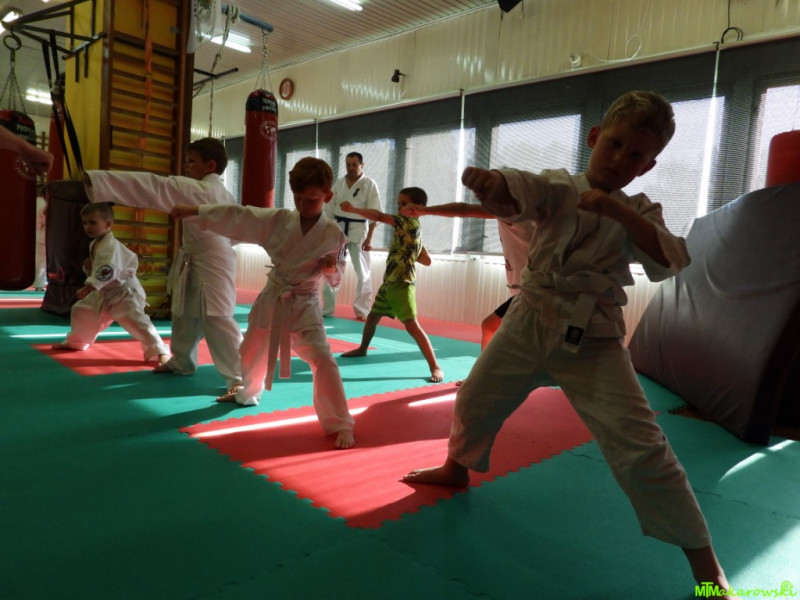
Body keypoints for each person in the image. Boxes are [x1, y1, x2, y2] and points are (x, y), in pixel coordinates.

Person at [403, 91, 734, 593]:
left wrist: (620, 214)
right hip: (528, 321)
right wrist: (496, 185)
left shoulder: (641, 209)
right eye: (615, 144)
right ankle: (455, 469)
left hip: (594, 338)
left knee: (642, 448)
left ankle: (708, 568)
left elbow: (671, 259)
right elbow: (524, 191)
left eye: (636, 155)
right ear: (595, 138)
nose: (621, 159)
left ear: (648, 166)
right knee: (474, 399)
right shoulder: (560, 187)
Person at [170, 157, 356, 450]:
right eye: (297, 197)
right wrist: (197, 211)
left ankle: (340, 422)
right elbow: (241, 216)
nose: (303, 205)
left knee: (323, 359)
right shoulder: (279, 220)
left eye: (311, 199)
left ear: (327, 196)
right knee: (251, 350)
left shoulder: (335, 235)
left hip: (305, 303)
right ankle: (247, 393)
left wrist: (331, 268)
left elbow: (336, 279)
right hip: (274, 296)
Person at [82, 138, 242, 395]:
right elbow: (236, 232)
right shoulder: (225, 194)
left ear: (210, 165)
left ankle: (239, 378)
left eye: (191, 161)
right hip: (203, 256)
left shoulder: (196, 189)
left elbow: (154, 186)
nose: (186, 166)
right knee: (184, 311)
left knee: (217, 317)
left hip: (212, 261)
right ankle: (182, 361)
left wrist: (99, 181)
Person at [340, 187, 444, 383]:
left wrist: (353, 209)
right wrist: (413, 248)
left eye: (404, 204)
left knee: (411, 325)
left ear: (418, 208)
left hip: (402, 284)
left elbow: (378, 216)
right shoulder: (411, 228)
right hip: (389, 282)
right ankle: (363, 349)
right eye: (398, 204)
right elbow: (427, 260)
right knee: (372, 318)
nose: (399, 208)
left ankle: (435, 366)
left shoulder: (408, 222)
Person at [399, 201, 534, 350]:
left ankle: (485, 366)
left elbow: (463, 209)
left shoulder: (513, 212)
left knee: (490, 326)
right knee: (499, 330)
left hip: (533, 291)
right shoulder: (526, 215)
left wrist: (424, 210)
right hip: (528, 291)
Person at [52, 202, 170, 364]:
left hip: (124, 293)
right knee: (82, 311)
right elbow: (102, 268)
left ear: (108, 224)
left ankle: (160, 351)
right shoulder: (95, 243)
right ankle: (76, 342)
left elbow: (108, 269)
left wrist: (88, 286)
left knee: (137, 322)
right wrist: (90, 268)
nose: (88, 227)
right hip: (105, 291)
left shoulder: (110, 245)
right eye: (85, 223)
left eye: (93, 222)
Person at [321, 152, 382, 320]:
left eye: (355, 164)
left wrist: (370, 238)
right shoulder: (339, 183)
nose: (351, 168)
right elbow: (328, 209)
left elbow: (375, 213)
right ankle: (327, 308)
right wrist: (327, 232)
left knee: (363, 272)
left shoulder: (369, 184)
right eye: (348, 165)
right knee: (332, 268)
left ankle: (362, 310)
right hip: (339, 229)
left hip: (359, 230)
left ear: (362, 165)